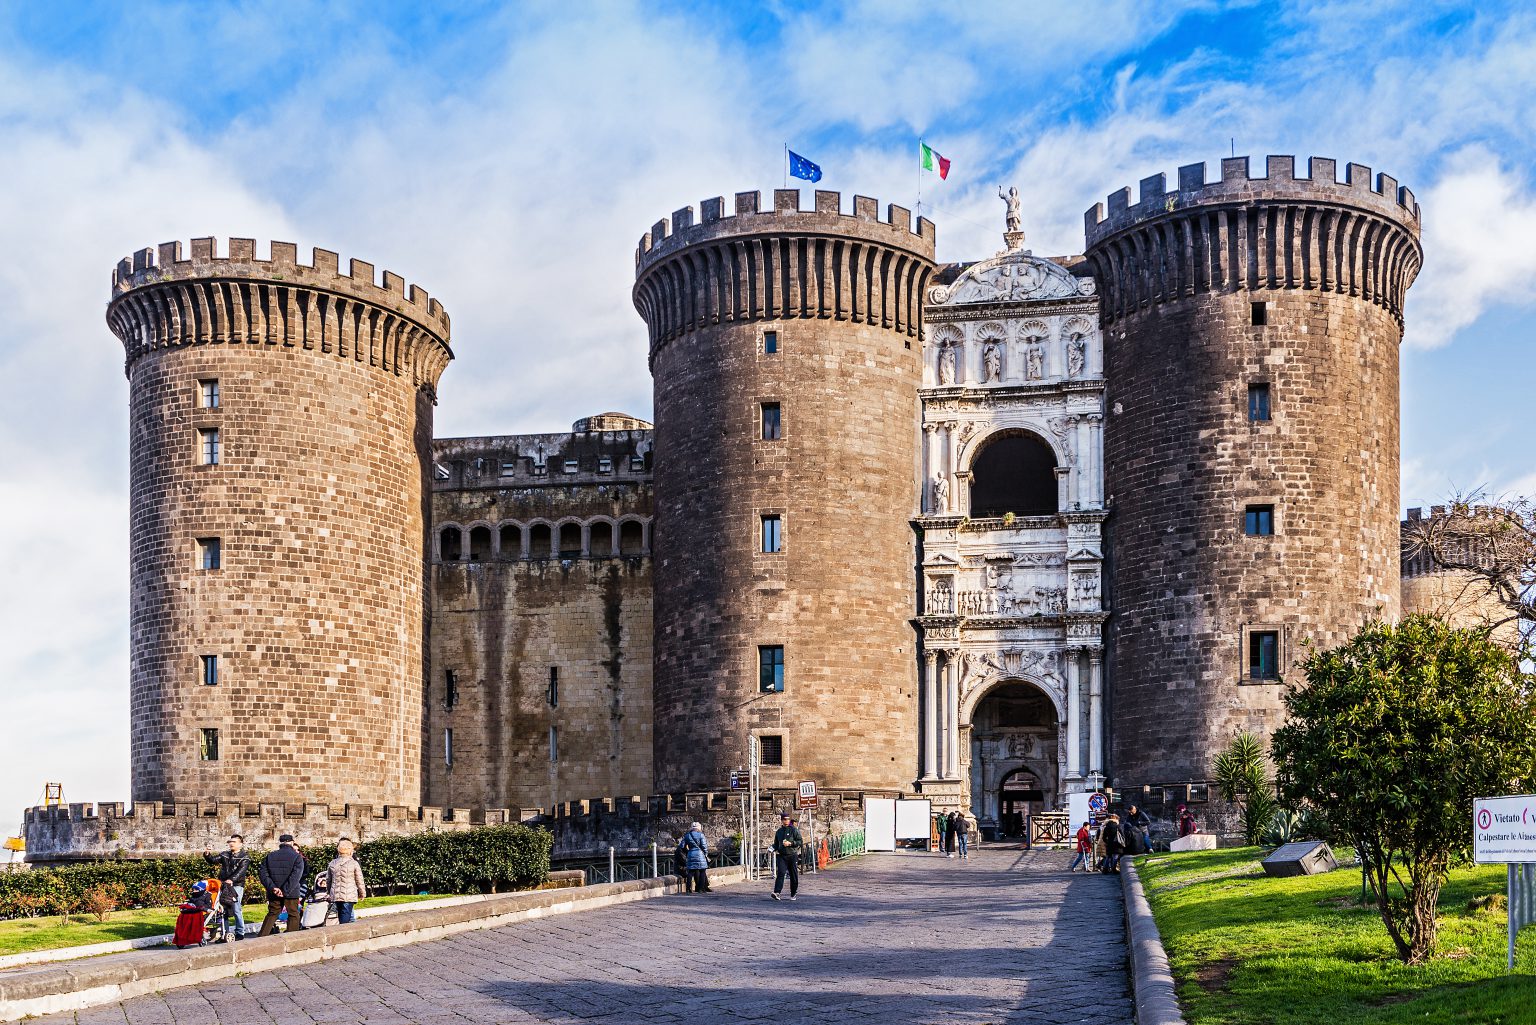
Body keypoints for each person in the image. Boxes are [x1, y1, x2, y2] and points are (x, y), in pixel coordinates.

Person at [257, 833, 307, 936]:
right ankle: (291, 939)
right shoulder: (297, 857)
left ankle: (261, 937)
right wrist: (284, 891)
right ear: (292, 842)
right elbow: (295, 877)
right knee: (293, 914)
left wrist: (273, 888)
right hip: (291, 892)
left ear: (280, 843)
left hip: (274, 892)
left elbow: (263, 874)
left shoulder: (269, 856)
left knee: (272, 913)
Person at [202, 834, 250, 940]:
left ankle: (240, 932)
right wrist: (207, 854)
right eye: (230, 841)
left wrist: (231, 880)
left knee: (236, 908)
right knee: (223, 909)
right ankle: (225, 932)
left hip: (237, 885)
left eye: (234, 842)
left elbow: (240, 871)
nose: (231, 843)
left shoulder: (244, 857)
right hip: (223, 884)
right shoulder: (225, 855)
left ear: (240, 844)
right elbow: (213, 860)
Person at [325, 837, 367, 924]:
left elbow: (328, 880)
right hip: (349, 893)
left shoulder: (332, 863)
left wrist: (329, 892)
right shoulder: (354, 863)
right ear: (350, 850)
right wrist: (362, 893)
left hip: (336, 894)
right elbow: (359, 880)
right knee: (346, 915)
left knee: (341, 914)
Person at [771, 811, 803, 901]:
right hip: (782, 856)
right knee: (780, 873)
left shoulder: (794, 830)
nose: (787, 821)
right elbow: (776, 844)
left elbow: (800, 842)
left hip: (792, 855)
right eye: (785, 819)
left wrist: (791, 843)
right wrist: (772, 848)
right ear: (782, 820)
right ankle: (777, 892)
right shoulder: (779, 832)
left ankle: (793, 893)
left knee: (793, 875)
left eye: (788, 819)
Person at [680, 822, 711, 894]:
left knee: (690, 872)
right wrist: (706, 854)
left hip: (691, 854)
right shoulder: (701, 835)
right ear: (699, 828)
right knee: (702, 871)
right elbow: (704, 846)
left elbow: (682, 846)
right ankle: (700, 889)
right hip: (700, 855)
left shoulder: (687, 835)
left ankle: (688, 889)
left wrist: (688, 851)